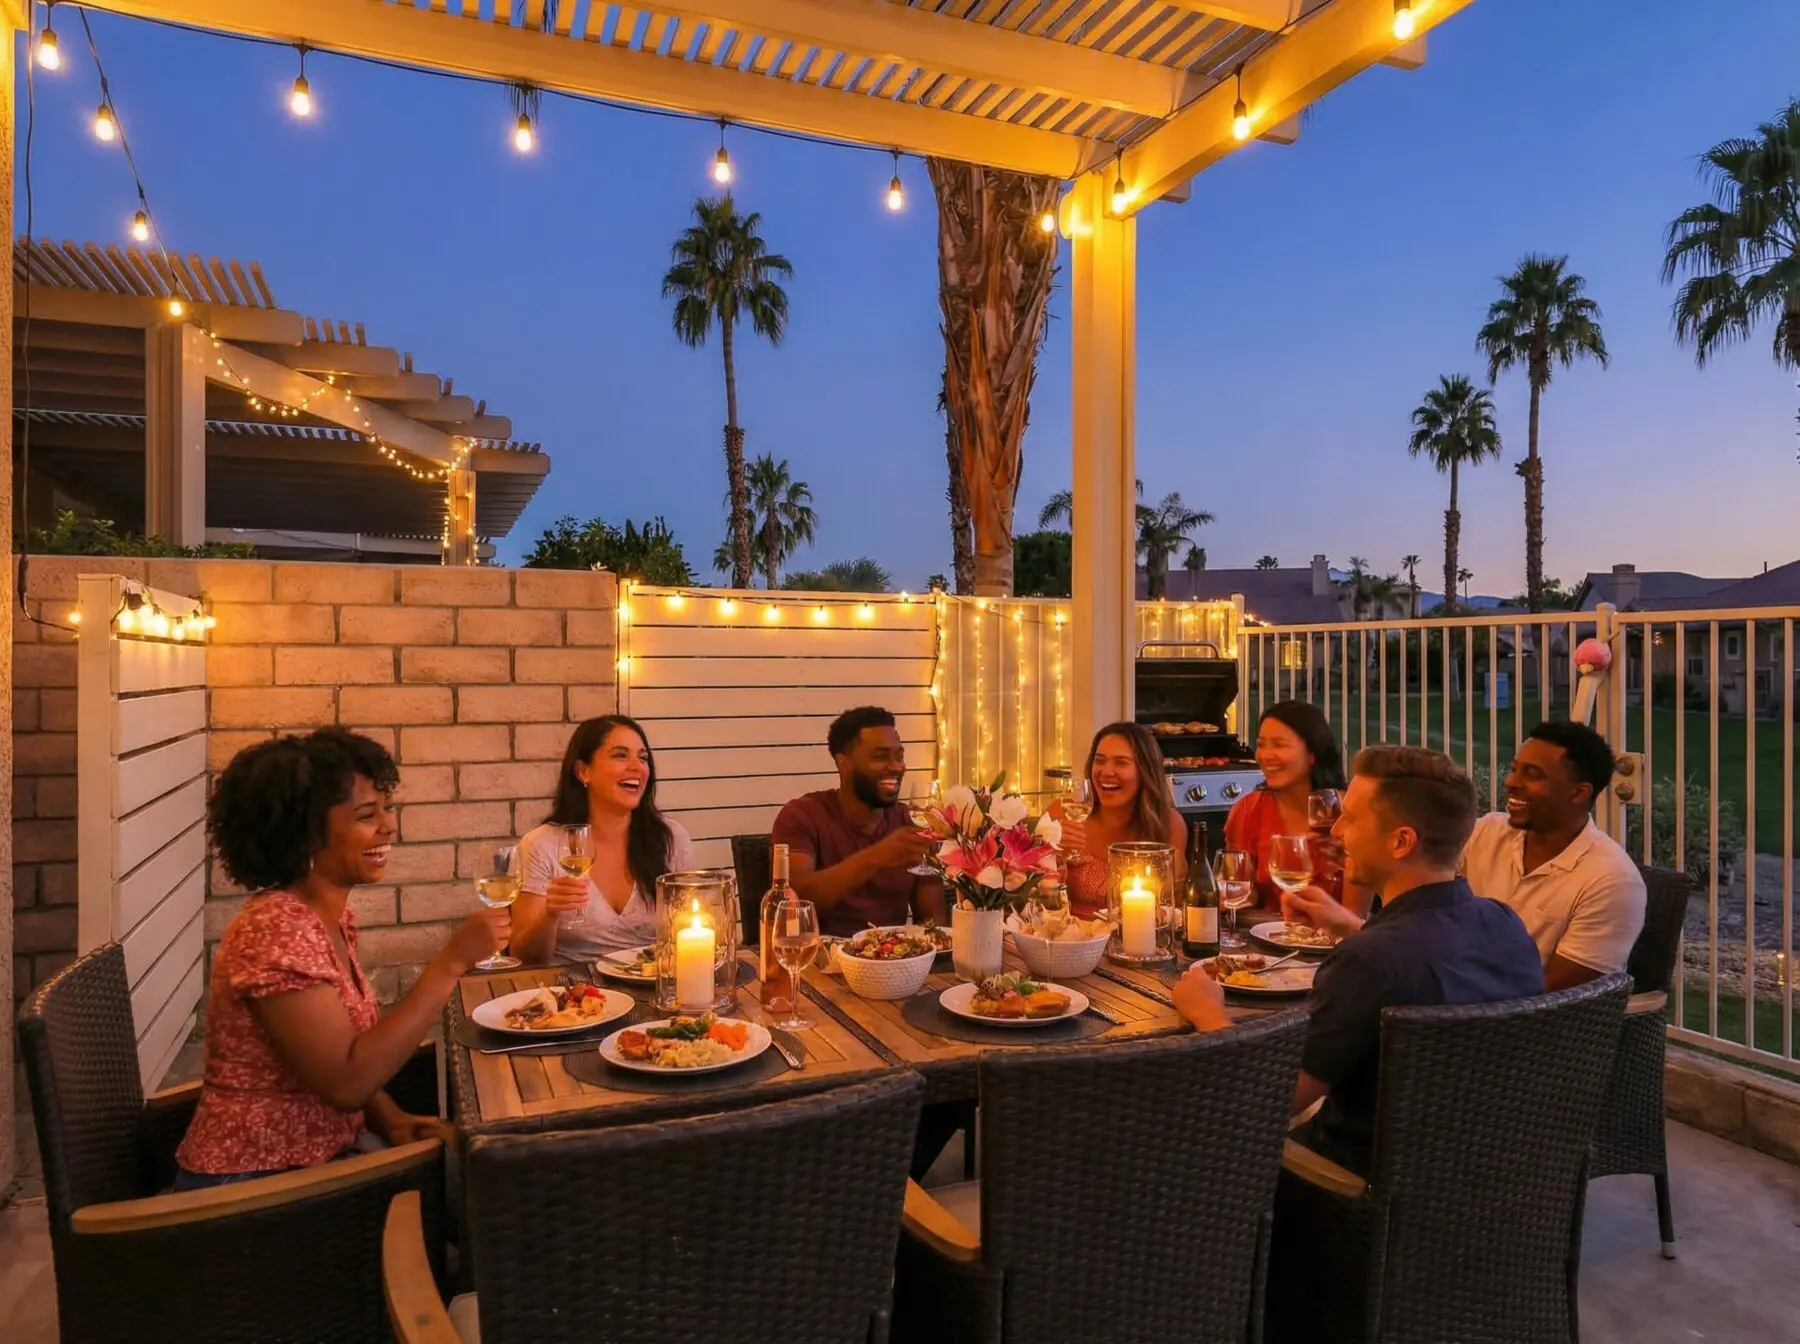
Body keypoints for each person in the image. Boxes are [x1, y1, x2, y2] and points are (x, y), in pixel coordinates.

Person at [1173, 745, 1544, 1175]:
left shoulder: (1368, 962)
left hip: (1350, 1196)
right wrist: (1352, 925)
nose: (1338, 831)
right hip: (1488, 1184)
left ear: (1401, 841)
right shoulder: (1504, 924)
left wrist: (1210, 1017)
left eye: (1351, 817)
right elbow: (1421, 961)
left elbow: (1274, 1100)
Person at [174, 730, 509, 1190]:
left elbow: (334, 1059)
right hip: (259, 1189)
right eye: (367, 816)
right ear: (307, 835)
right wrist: (450, 963)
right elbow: (345, 1080)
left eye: (386, 810)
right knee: (494, 1185)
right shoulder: (277, 928)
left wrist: (388, 1116)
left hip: (325, 1158)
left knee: (485, 1171)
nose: (389, 827)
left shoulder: (324, 918)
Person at [1459, 720, 1646, 989]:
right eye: (1514, 769)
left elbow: (1554, 994)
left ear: (1578, 793)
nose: (1511, 782)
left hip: (1528, 1025)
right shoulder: (1485, 833)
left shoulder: (1611, 881)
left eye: (1532, 775)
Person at [512, 715, 695, 964]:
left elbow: (688, 935)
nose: (637, 767)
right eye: (620, 755)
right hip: (573, 993)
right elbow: (524, 957)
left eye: (643, 758)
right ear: (583, 771)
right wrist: (550, 915)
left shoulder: (671, 838)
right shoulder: (542, 845)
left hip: (653, 988)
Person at [772, 706, 945, 938]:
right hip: (818, 963)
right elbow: (791, 903)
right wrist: (876, 856)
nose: (896, 766)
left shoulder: (910, 822)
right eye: (880, 756)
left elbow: (933, 922)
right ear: (843, 764)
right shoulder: (802, 815)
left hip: (893, 961)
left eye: (899, 756)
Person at [1224, 700, 1370, 915]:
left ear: (1313, 753)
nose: (1265, 755)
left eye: (1279, 744)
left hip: (1338, 942)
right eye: (1261, 744)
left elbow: (1355, 917)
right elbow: (1243, 895)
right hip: (1268, 938)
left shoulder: (1350, 813)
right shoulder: (1248, 810)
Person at [1054, 722, 1188, 920]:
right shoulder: (1063, 813)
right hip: (1074, 943)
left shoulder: (1168, 823)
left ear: (1145, 771)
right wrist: (1055, 859)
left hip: (1139, 944)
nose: (1106, 772)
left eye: (1121, 762)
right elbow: (1033, 901)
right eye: (1099, 761)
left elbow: (1175, 908)